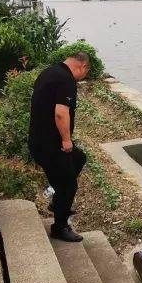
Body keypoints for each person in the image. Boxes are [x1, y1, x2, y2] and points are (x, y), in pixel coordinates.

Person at [28, 51, 92, 242]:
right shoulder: (66, 80)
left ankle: (57, 202)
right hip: (51, 144)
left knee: (79, 159)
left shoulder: (49, 72)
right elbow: (61, 113)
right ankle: (60, 227)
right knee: (68, 184)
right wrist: (66, 140)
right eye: (85, 74)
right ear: (83, 66)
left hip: (38, 140)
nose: (82, 78)